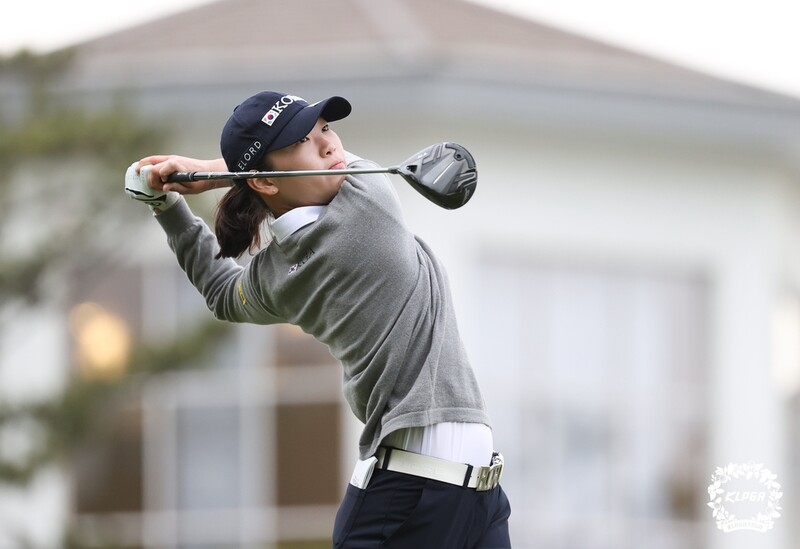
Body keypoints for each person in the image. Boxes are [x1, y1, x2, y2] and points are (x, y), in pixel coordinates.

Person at [126, 91, 512, 548]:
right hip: (408, 501)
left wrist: (168, 207)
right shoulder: (368, 205)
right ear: (266, 182)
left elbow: (222, 292)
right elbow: (225, 286)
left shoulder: (274, 275)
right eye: (304, 141)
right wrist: (212, 174)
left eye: (326, 129)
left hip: (472, 495)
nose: (330, 146)